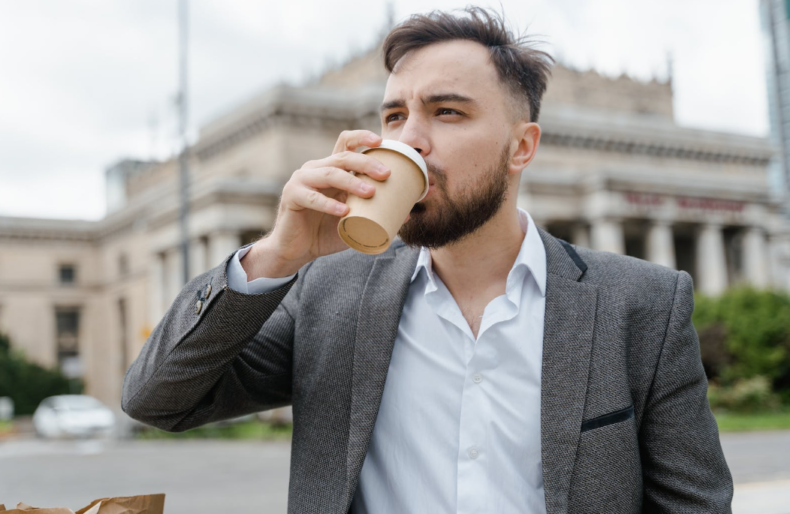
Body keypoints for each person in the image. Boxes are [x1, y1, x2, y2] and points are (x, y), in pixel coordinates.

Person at [122, 7, 733, 513]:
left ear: (521, 147)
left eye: (447, 112)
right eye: (394, 116)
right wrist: (278, 253)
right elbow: (157, 399)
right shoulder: (327, 295)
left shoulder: (641, 304)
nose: (408, 138)